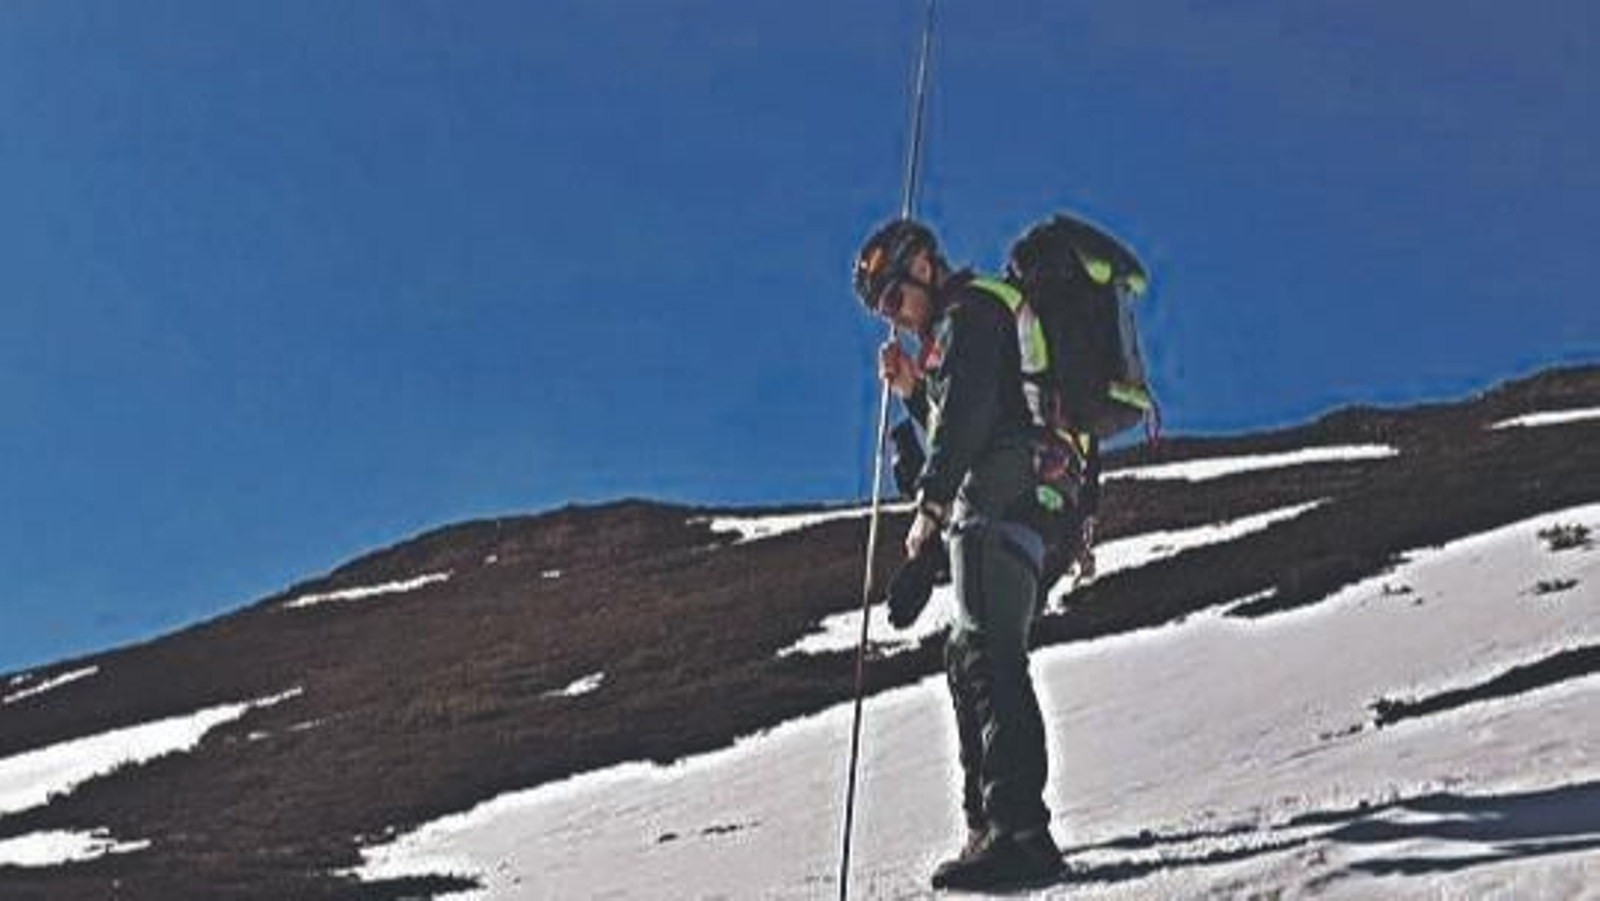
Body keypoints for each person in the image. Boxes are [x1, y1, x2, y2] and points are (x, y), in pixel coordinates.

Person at [853, 218, 1072, 890]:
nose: (894, 316)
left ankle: (1020, 833)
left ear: (922, 264)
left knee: (988, 652)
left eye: (893, 298)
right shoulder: (961, 324)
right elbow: (958, 417)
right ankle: (988, 822)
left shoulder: (970, 311)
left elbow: (974, 417)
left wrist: (931, 504)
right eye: (884, 309)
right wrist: (916, 392)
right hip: (1014, 501)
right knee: (966, 652)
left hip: (999, 499)